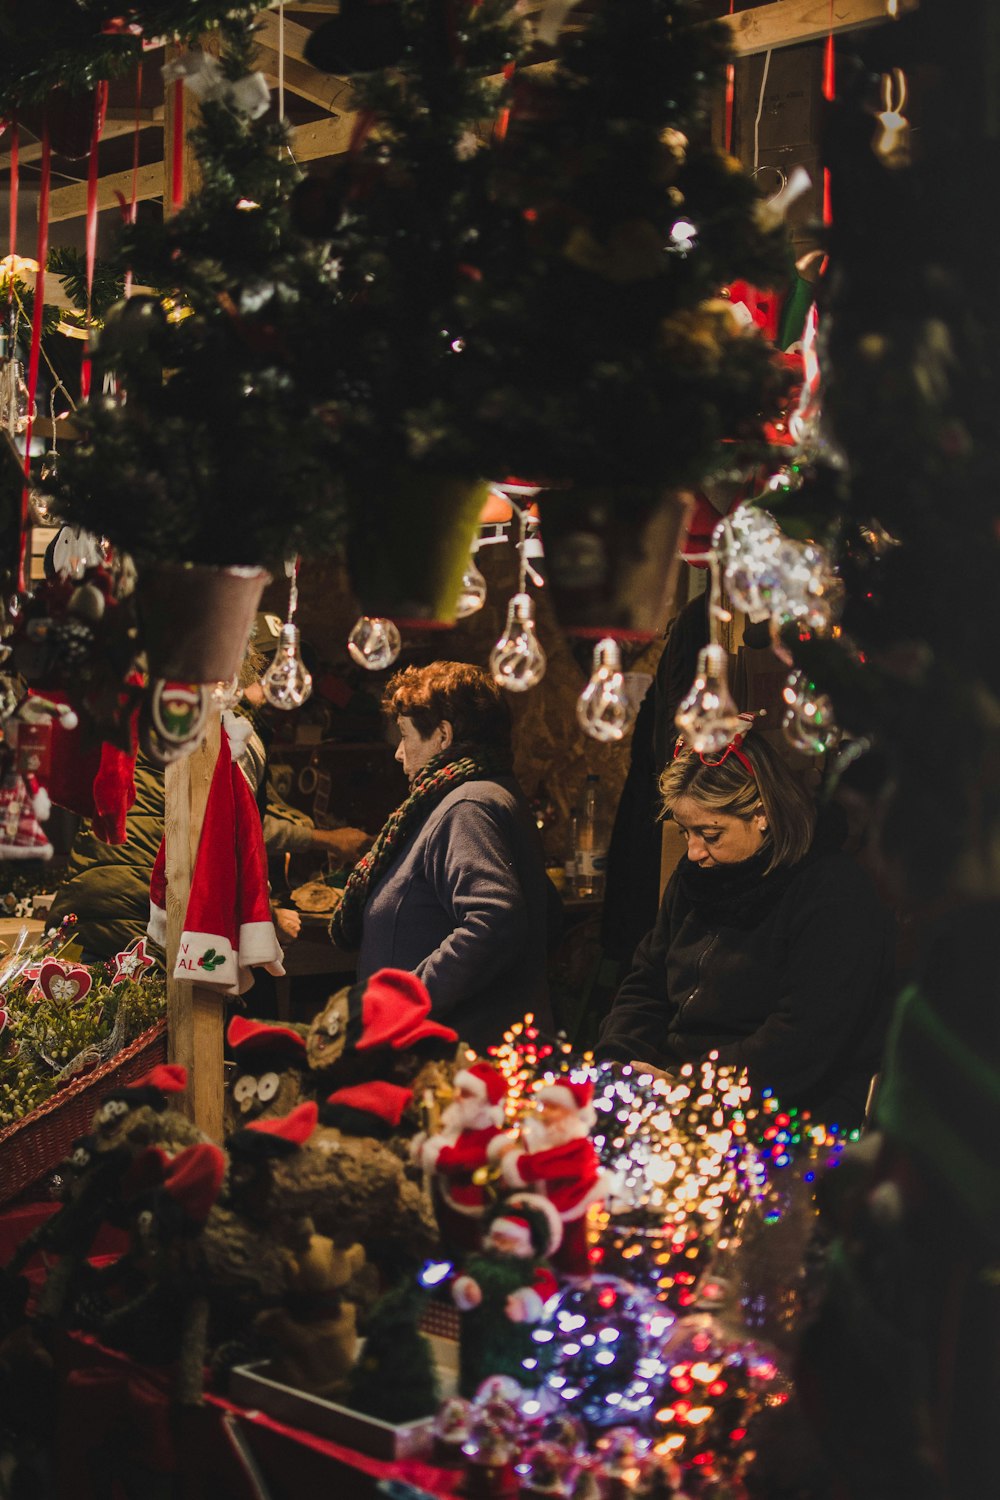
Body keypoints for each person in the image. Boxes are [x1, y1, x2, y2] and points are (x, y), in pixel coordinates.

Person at [596, 724, 895, 1129]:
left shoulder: (833, 892)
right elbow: (647, 979)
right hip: (677, 1088)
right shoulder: (695, 876)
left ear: (762, 815)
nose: (693, 852)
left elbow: (803, 1040)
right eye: (686, 832)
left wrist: (689, 1089)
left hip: (781, 1107)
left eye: (710, 834)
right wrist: (621, 1063)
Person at [330, 661, 557, 1049]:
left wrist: (404, 1001)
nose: (399, 754)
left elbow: (494, 918)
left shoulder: (467, 806)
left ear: (443, 735)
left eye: (405, 736)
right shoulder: (476, 795)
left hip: (457, 1056)